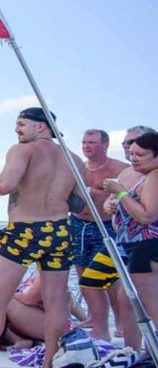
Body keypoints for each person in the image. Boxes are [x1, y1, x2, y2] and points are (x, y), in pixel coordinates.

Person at [0, 107, 85, 368]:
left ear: (41, 127)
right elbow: (79, 204)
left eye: (21, 124)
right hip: (59, 231)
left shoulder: (23, 151)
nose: (16, 130)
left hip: (24, 231)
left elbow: (6, 184)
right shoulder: (74, 159)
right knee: (56, 304)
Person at [69, 129, 130, 341]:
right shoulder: (77, 167)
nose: (86, 146)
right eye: (84, 142)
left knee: (109, 277)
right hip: (78, 223)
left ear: (105, 144)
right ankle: (96, 320)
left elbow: (128, 196)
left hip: (105, 226)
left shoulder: (121, 169)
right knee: (81, 270)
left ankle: (120, 321)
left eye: (92, 142)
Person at [102, 131, 158, 352]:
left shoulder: (155, 177)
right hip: (135, 247)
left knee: (152, 307)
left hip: (147, 247)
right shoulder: (143, 176)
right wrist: (113, 202)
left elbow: (147, 216)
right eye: (132, 153)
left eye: (141, 155)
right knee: (127, 302)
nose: (133, 158)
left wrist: (122, 193)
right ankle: (131, 353)